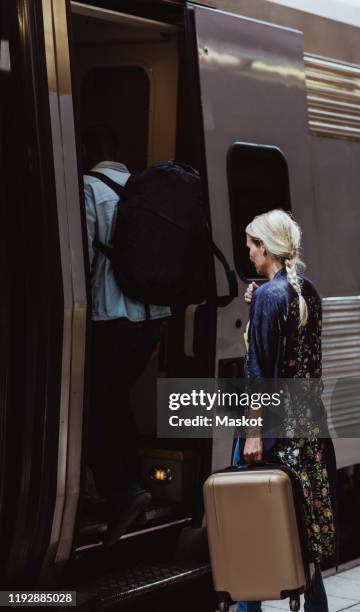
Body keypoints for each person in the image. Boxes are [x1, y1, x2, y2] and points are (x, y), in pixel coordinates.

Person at [233, 209, 337, 612]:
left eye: (251, 248)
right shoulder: (306, 290)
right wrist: (260, 296)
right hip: (308, 428)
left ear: (266, 247)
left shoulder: (270, 298)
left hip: (275, 432)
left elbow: (259, 374)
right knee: (303, 533)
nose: (249, 256)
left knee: (253, 527)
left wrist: (255, 434)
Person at [83, 126, 171, 546]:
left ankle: (123, 492)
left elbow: (77, 257)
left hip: (111, 316)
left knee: (96, 403)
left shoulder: (88, 188)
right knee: (113, 398)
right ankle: (132, 485)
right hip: (152, 317)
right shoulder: (142, 188)